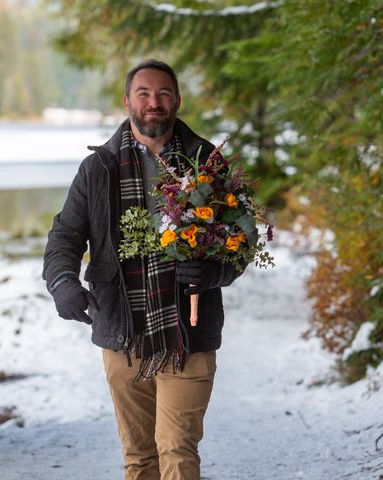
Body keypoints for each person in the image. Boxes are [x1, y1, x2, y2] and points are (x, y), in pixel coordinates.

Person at [42, 59, 243, 480]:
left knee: (177, 449)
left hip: (188, 331)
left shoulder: (206, 161)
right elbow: (65, 235)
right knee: (139, 456)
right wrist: (62, 282)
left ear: (177, 101)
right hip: (122, 333)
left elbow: (242, 240)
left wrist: (213, 273)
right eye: (144, 93)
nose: (154, 102)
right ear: (128, 101)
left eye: (163, 93)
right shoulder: (98, 168)